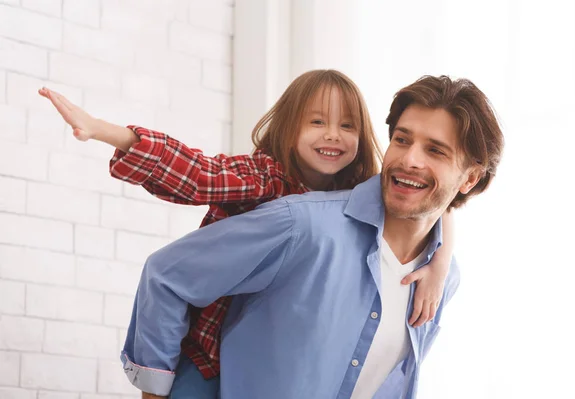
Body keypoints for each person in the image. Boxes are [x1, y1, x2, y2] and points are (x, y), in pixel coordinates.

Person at [38, 70, 456, 398]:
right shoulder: (264, 179)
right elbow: (196, 173)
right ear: (289, 126)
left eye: (347, 125)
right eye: (316, 121)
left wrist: (440, 261)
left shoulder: (357, 196)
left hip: (274, 364)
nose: (332, 135)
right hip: (209, 356)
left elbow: (435, 198)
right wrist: (109, 132)